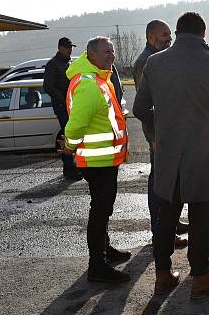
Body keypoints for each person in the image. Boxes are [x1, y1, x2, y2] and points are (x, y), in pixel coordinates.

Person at [134, 12, 209, 299]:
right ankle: (201, 278)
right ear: (203, 33)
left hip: (167, 152)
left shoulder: (155, 63)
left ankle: (163, 274)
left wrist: (162, 130)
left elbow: (140, 109)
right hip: (202, 154)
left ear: (178, 33)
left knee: (166, 216)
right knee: (200, 218)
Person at [62, 37, 131, 282]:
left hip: (105, 159)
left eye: (112, 51)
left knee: (103, 209)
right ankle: (97, 265)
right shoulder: (90, 83)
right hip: (97, 161)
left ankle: (104, 250)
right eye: (105, 51)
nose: (110, 55)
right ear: (90, 54)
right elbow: (75, 125)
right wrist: (69, 146)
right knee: (100, 211)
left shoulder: (99, 78)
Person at [132, 20, 188, 247]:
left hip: (168, 132)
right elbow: (145, 105)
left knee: (172, 181)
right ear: (150, 37)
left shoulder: (160, 58)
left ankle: (171, 223)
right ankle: (160, 230)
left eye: (169, 35)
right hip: (158, 134)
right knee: (160, 183)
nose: (169, 38)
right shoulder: (146, 62)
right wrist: (156, 135)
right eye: (164, 35)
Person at [43, 37, 80, 180]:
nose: (70, 49)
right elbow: (48, 86)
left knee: (72, 135)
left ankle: (73, 166)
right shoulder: (53, 64)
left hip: (71, 105)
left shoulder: (67, 63)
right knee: (67, 135)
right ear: (60, 48)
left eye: (71, 47)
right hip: (62, 106)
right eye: (67, 47)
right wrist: (63, 100)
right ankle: (69, 168)